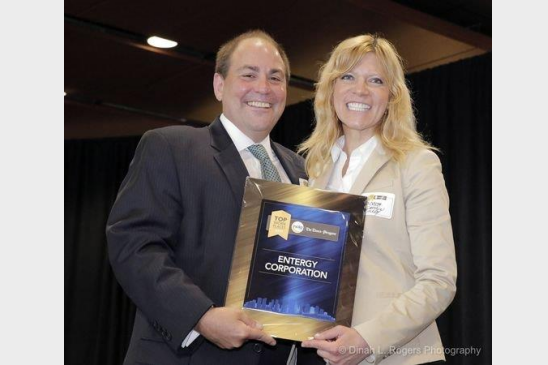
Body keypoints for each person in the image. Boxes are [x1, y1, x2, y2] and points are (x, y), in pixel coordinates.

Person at [106, 30, 312, 365]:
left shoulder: (302, 169)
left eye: (275, 77)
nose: (263, 87)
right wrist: (200, 317)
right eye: (249, 74)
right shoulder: (171, 147)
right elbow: (133, 244)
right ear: (219, 85)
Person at [299, 34, 457, 365]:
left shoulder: (416, 164)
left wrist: (367, 339)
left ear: (392, 96)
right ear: (330, 89)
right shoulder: (313, 169)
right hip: (323, 354)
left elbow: (439, 281)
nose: (360, 90)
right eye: (348, 77)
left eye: (376, 80)